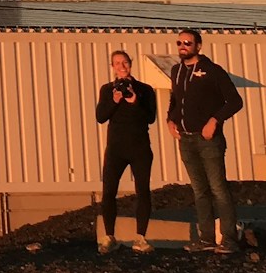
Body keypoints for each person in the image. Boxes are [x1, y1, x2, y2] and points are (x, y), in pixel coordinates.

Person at [166, 28, 244, 253]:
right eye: (179, 42)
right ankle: (206, 239)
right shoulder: (176, 71)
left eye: (188, 43)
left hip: (208, 140)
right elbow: (175, 99)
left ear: (198, 46)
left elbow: (234, 101)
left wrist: (214, 120)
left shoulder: (213, 71)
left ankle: (229, 238)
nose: (183, 46)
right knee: (199, 190)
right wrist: (170, 121)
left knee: (218, 188)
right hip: (186, 139)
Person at [95, 50, 158, 253]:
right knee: (109, 192)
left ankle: (140, 237)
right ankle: (109, 236)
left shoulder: (146, 90)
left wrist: (134, 102)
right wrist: (114, 101)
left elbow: (150, 118)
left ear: (131, 64)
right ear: (112, 67)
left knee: (143, 191)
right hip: (115, 148)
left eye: (125, 62)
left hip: (139, 147)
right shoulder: (107, 90)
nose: (121, 66)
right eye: (117, 63)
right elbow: (101, 117)